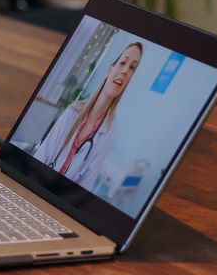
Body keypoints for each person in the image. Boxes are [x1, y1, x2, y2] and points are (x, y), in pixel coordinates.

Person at [34, 42, 144, 186]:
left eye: (132, 68)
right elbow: (41, 155)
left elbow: (86, 182)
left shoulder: (110, 131)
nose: (125, 71)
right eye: (123, 62)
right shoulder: (73, 111)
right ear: (109, 70)